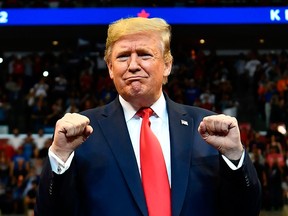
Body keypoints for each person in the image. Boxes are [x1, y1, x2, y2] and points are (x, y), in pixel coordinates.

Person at [35, 17, 261, 216]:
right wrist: (59, 156)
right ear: (110, 68)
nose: (133, 65)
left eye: (144, 54)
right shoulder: (80, 134)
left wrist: (234, 157)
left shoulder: (208, 129)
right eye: (123, 57)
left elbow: (246, 210)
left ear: (167, 65)